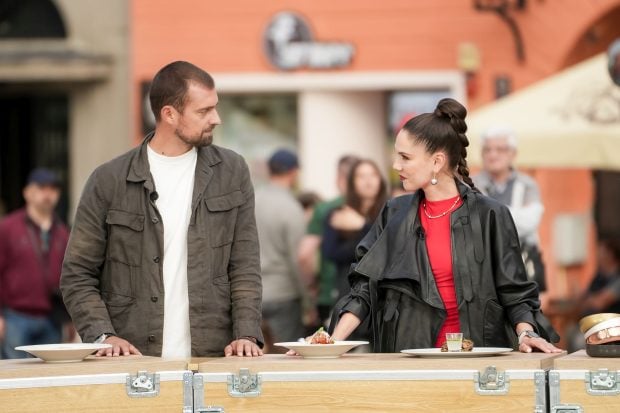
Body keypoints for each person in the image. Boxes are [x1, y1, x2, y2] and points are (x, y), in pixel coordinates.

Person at [60, 61, 263, 358]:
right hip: (133, 359)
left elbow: (245, 264)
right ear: (169, 114)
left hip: (213, 355)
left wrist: (246, 334)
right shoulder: (109, 180)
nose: (216, 119)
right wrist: (104, 336)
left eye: (215, 107)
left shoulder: (232, 171)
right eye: (204, 111)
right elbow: (77, 273)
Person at [327, 98, 560, 354]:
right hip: (408, 359)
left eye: (405, 157)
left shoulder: (491, 215)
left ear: (437, 161)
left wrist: (526, 333)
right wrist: (330, 343)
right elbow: (363, 289)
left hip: (476, 359)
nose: (396, 165)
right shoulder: (394, 213)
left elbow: (515, 292)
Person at [0, 168, 70, 358]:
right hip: (16, 317)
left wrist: (69, 319)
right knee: (14, 373)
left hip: (52, 318)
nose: (48, 194)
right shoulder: (7, 228)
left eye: (53, 189)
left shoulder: (63, 232)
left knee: (49, 374)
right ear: (27, 193)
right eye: (41, 187)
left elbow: (70, 277)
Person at [473, 126, 547, 292]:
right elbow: (472, 226)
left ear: (513, 153)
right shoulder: (470, 185)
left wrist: (488, 214)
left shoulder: (527, 185)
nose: (493, 155)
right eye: (487, 150)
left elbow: (530, 223)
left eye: (500, 149)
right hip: (482, 272)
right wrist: (513, 215)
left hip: (522, 269)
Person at [255, 149, 307, 349]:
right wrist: (307, 299)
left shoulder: (252, 200)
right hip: (284, 293)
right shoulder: (291, 207)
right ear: (294, 172)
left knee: (254, 355)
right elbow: (297, 258)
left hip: (252, 293)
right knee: (286, 355)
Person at [297, 155, 359, 325]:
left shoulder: (324, 209)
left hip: (330, 292)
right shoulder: (373, 208)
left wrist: (311, 289)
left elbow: (304, 255)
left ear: (340, 178)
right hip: (366, 294)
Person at [321, 159, 388, 301]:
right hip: (349, 290)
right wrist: (364, 245)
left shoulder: (392, 211)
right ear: (352, 182)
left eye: (373, 175)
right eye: (361, 176)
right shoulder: (339, 213)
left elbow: (388, 248)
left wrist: (362, 225)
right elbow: (330, 253)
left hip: (382, 292)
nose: (368, 181)